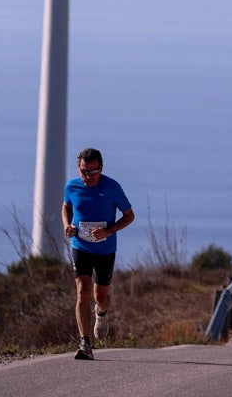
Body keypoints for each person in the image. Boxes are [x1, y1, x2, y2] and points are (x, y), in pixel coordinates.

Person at [62, 147, 135, 361]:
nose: (88, 177)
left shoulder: (112, 187)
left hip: (105, 249)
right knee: (82, 290)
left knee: (100, 297)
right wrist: (68, 225)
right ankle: (85, 343)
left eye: (93, 172)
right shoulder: (72, 186)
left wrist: (108, 230)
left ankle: (101, 313)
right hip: (80, 246)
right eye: (84, 171)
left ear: (101, 168)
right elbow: (65, 206)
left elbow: (130, 216)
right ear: (79, 168)